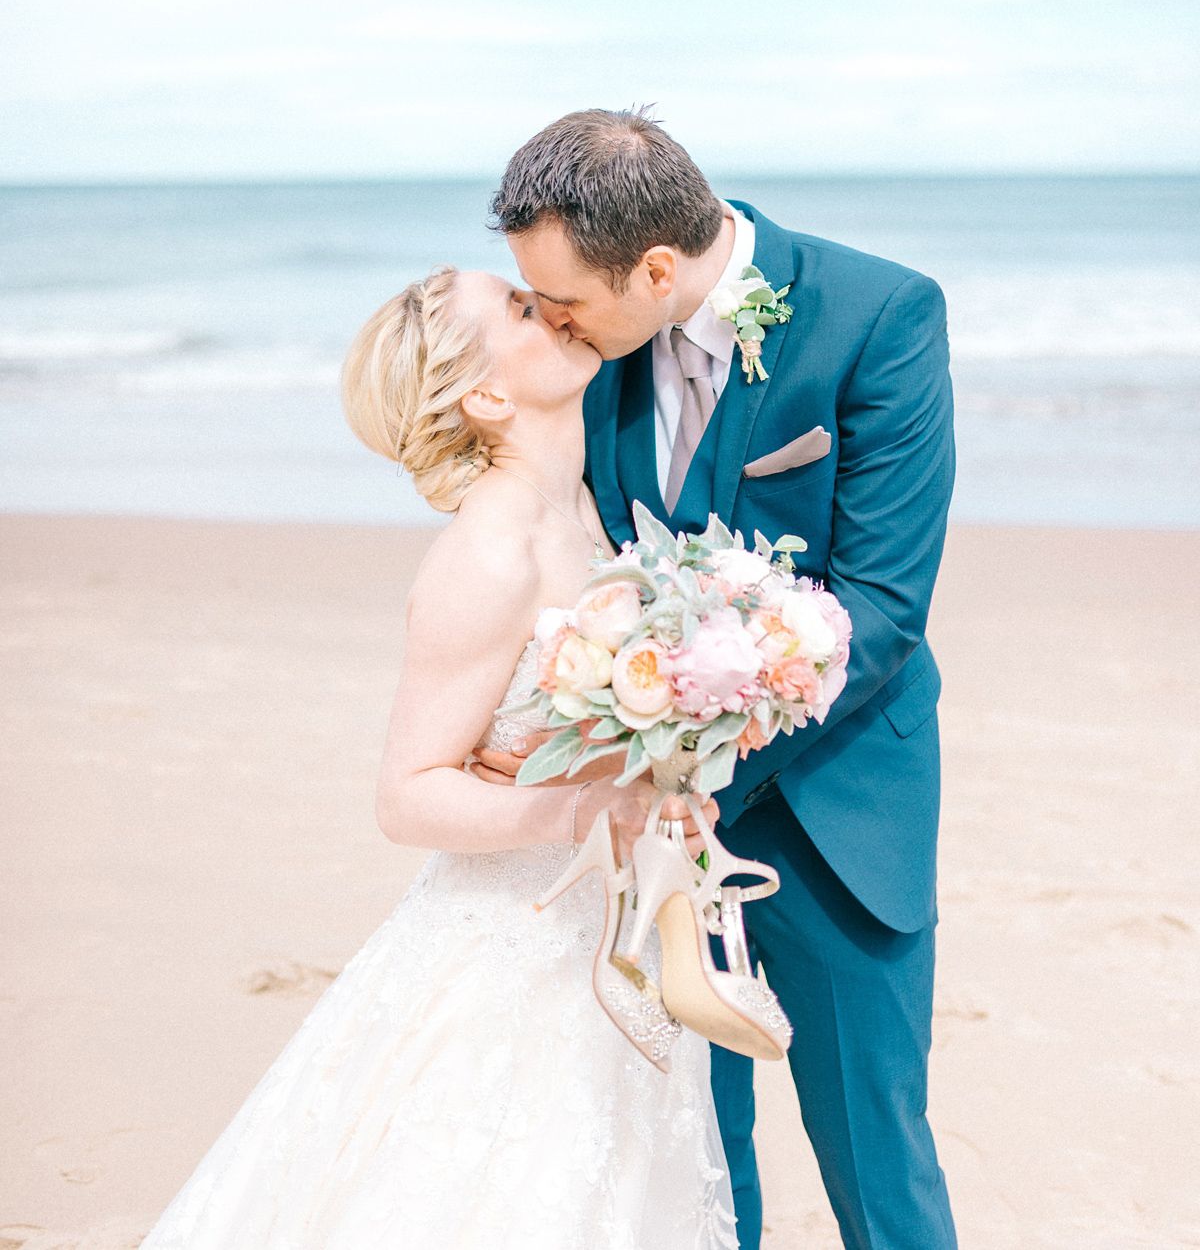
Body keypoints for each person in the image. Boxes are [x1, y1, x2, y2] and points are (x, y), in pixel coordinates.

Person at [139, 264, 737, 1250]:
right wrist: (581, 812)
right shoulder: (490, 552)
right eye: (517, 304)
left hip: (604, 933)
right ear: (489, 395)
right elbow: (407, 794)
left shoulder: (584, 508)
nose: (551, 300)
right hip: (517, 943)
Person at [479, 108, 958, 1250]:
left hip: (836, 816)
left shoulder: (879, 316)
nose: (548, 325)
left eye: (567, 304)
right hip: (650, 834)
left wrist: (680, 757)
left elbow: (882, 614)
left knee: (875, 1153)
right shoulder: (592, 355)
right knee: (693, 1153)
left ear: (655, 268)